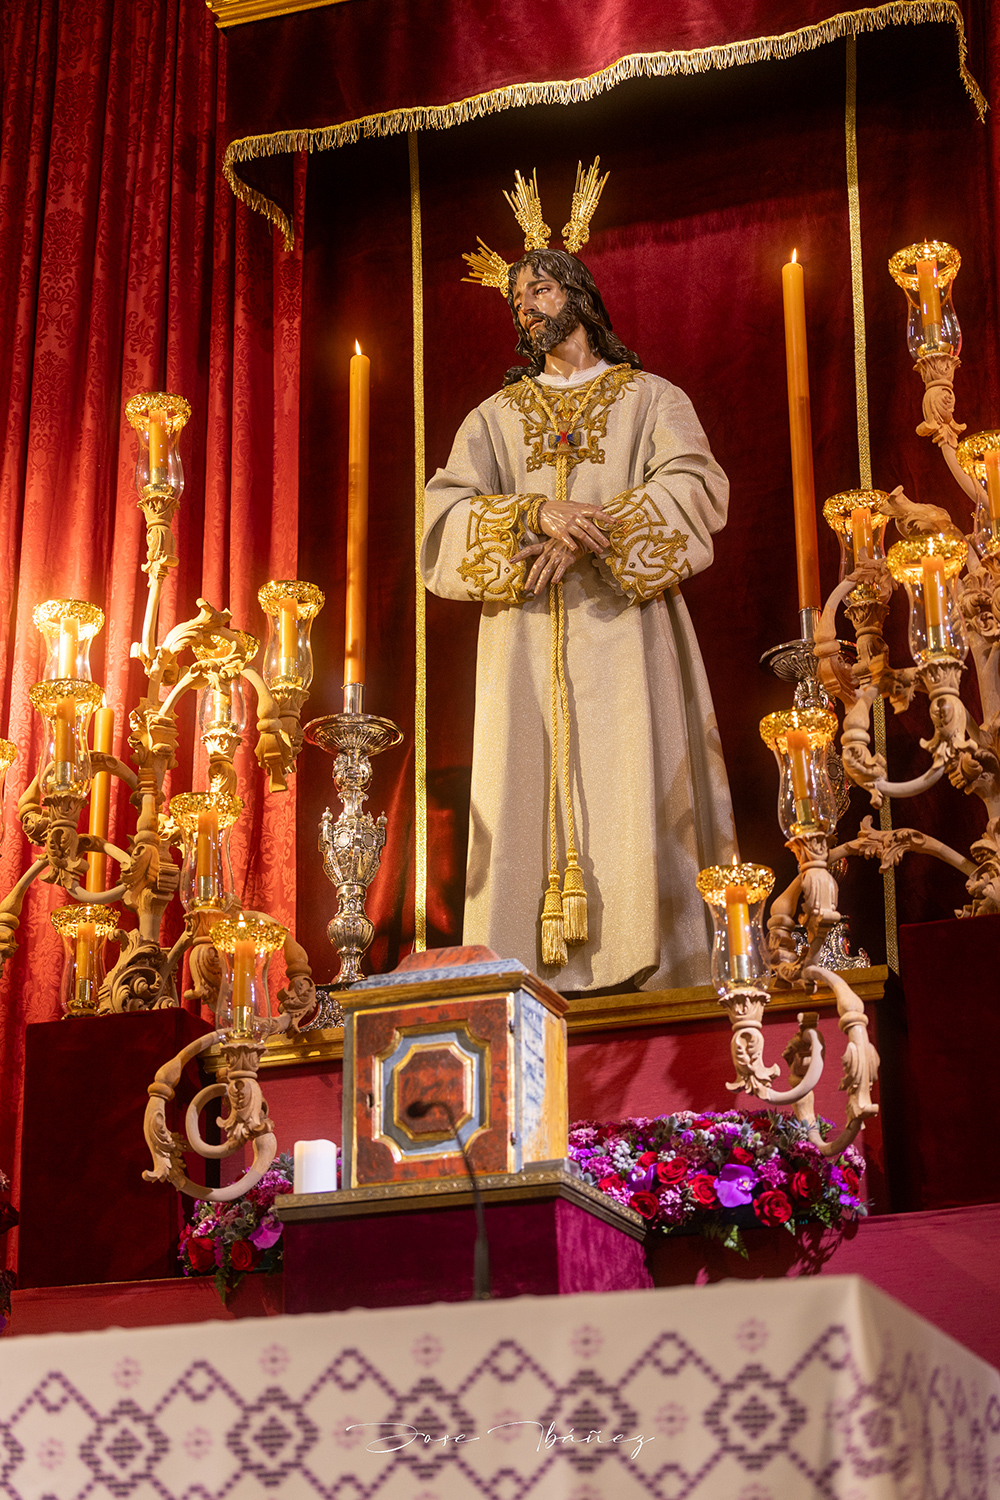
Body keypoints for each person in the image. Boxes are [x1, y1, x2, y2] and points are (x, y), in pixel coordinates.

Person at [420, 168, 736, 992]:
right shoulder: (493, 418)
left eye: (541, 289)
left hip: (627, 631)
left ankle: (656, 971)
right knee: (522, 785)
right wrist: (535, 515)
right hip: (523, 639)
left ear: (581, 297)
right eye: (516, 297)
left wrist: (597, 531)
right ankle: (517, 981)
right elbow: (442, 518)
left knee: (637, 782)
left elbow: (696, 487)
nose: (526, 307)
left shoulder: (651, 399)